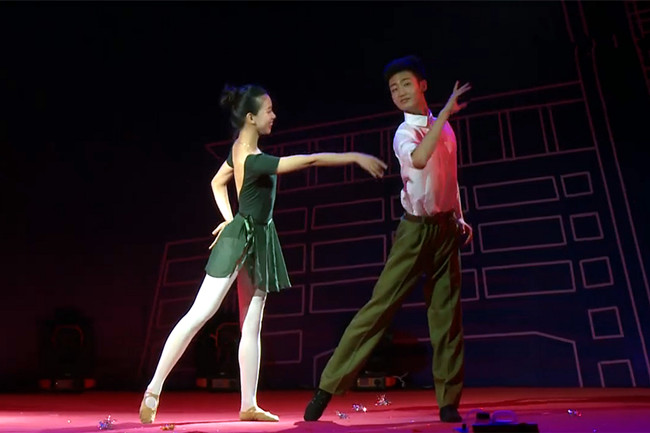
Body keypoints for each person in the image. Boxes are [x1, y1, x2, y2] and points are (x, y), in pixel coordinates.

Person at [139, 83, 387, 424]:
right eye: (268, 110)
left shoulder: (239, 149)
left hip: (259, 239)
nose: (274, 115)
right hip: (242, 239)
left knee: (250, 326)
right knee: (201, 313)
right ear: (251, 118)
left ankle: (248, 404)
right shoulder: (255, 160)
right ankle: (153, 390)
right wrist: (354, 157)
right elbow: (311, 160)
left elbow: (217, 182)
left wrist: (229, 218)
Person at [303, 55, 472, 423]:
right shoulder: (404, 133)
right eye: (394, 89)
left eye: (406, 84)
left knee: (447, 318)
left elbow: (449, 176)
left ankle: (448, 402)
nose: (399, 92)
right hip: (415, 231)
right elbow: (422, 160)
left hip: (445, 230)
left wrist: (459, 216)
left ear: (423, 85)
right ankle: (326, 389)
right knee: (378, 309)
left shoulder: (445, 129)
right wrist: (445, 113)